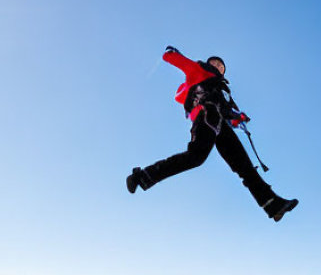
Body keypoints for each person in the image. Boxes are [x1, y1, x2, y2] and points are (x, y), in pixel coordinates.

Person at [127, 47, 298, 222]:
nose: (218, 65)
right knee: (195, 157)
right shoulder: (200, 71)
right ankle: (141, 176)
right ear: (208, 64)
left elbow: (227, 110)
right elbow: (178, 62)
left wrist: (238, 118)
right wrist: (173, 54)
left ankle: (273, 205)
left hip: (222, 126)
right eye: (215, 62)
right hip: (205, 116)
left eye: (221, 66)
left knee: (244, 167)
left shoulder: (222, 88)